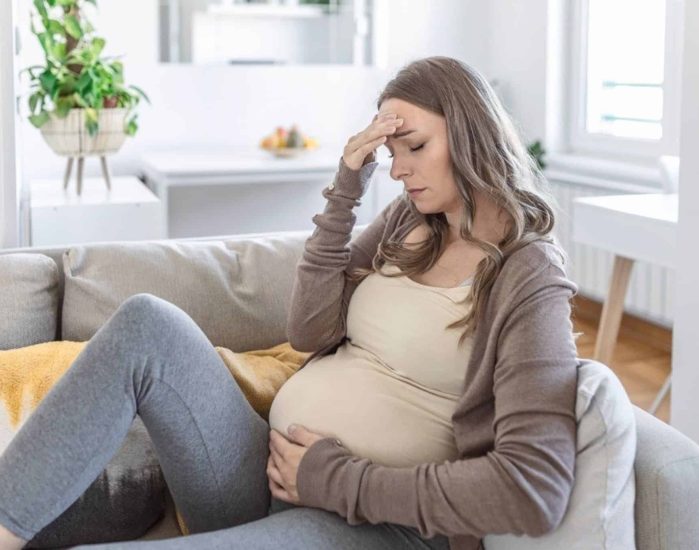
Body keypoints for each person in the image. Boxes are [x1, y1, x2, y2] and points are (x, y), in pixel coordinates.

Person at [0, 56, 579, 550]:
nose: (398, 170)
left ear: (472, 131)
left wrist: (336, 479)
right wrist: (347, 185)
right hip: (266, 472)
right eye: (391, 152)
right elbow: (308, 330)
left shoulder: (528, 274)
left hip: (376, 522)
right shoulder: (413, 217)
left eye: (416, 146)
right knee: (147, 321)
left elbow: (534, 488)